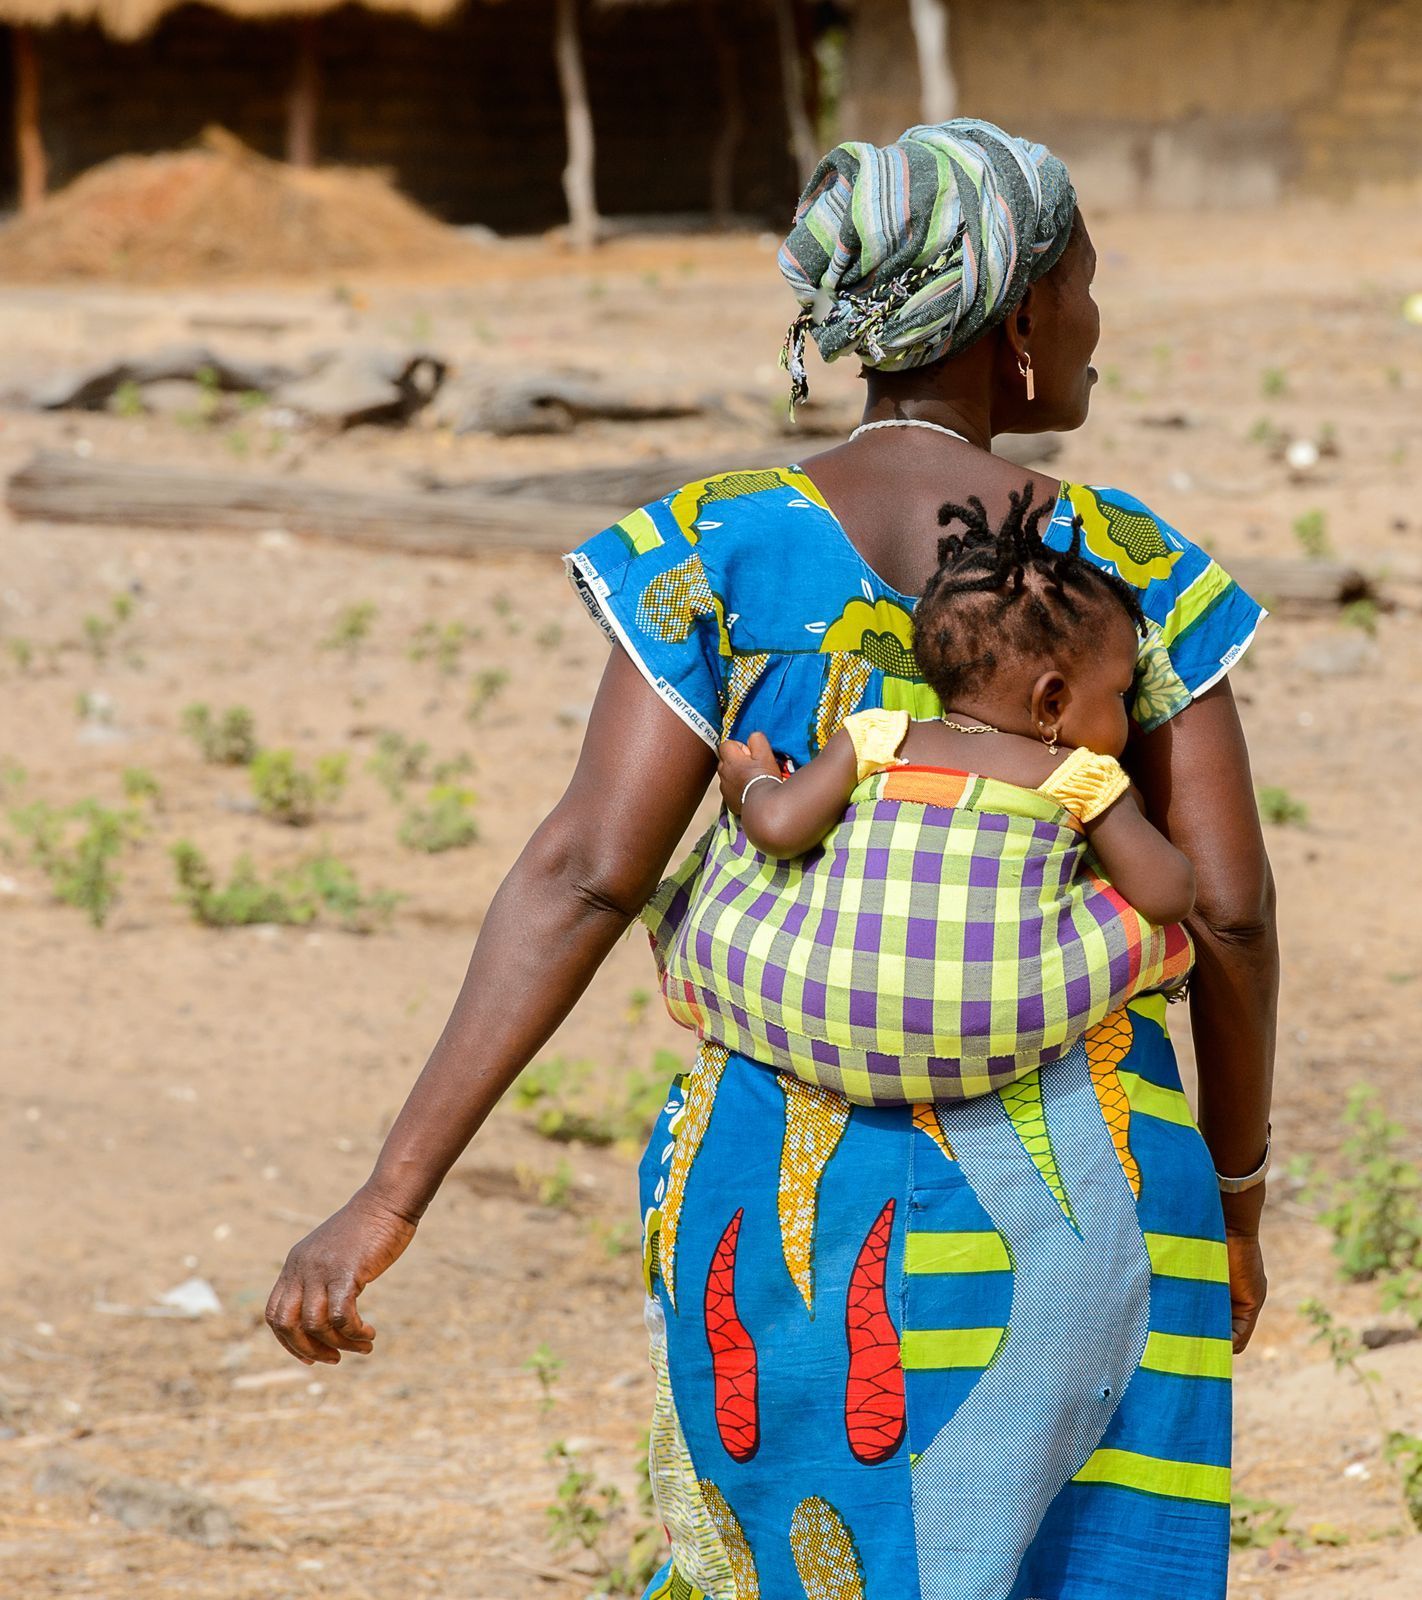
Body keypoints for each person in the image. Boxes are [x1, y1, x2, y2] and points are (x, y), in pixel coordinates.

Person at [266, 118, 1277, 1600]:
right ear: (1013, 322)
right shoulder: (1125, 569)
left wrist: (389, 1194)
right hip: (1096, 1188)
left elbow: (587, 876)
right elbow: (1233, 910)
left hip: (797, 1217)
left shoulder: (721, 549)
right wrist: (1237, 1197)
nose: (1096, 326)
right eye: (1085, 286)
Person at [645, 480, 1197, 1105]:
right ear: (1052, 702)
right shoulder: (1079, 778)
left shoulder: (879, 735)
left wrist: (756, 783)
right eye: (1119, 693)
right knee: (1160, 939)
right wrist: (1127, 817)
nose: (1125, 714)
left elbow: (777, 827)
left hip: (829, 1012)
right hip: (992, 1034)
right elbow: (1169, 894)